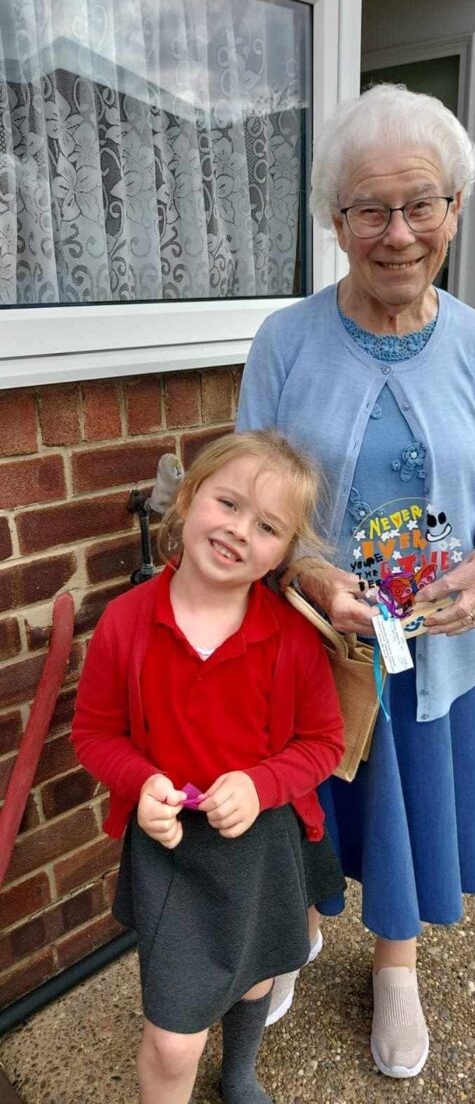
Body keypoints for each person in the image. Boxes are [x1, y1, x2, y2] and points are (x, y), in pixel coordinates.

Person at [236, 83, 475, 1079]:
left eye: (423, 203)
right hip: (312, 640)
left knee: (401, 813)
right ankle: (300, 933)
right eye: (371, 207)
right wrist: (309, 569)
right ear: (336, 220)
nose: (398, 231)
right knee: (300, 802)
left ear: (457, 208)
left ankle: (395, 966)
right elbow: (247, 495)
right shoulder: (285, 340)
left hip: (430, 650)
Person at [71, 430, 346, 1104]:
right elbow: (94, 732)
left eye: (267, 525)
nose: (238, 531)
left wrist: (259, 783)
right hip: (171, 849)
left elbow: (323, 741)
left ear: (285, 552)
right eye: (227, 503)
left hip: (258, 841)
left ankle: (239, 1071)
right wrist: (140, 782)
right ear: (189, 499)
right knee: (172, 1037)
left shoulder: (290, 637)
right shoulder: (126, 623)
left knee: (254, 973)